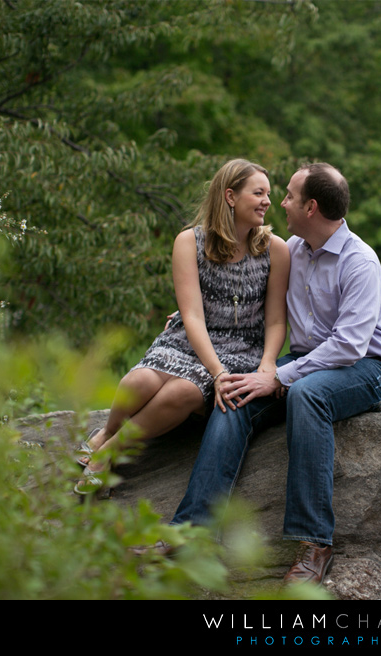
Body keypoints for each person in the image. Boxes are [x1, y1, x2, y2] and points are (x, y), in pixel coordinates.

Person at [171, 162, 381, 584]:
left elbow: (349, 346)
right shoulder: (290, 249)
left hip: (364, 368)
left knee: (306, 394)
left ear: (310, 207)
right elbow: (252, 300)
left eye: (289, 195)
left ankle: (315, 543)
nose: (280, 202)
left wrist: (278, 377)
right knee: (235, 392)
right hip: (306, 360)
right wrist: (190, 317)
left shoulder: (360, 262)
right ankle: (192, 532)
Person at [75, 159, 290, 495]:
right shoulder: (189, 242)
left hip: (240, 348)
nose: (267, 201)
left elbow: (277, 319)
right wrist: (215, 372)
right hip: (189, 338)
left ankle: (109, 453)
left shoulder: (275, 249)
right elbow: (192, 316)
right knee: (139, 380)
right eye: (258, 193)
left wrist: (267, 363)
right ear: (230, 196)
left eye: (269, 194)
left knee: (184, 391)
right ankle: (105, 433)